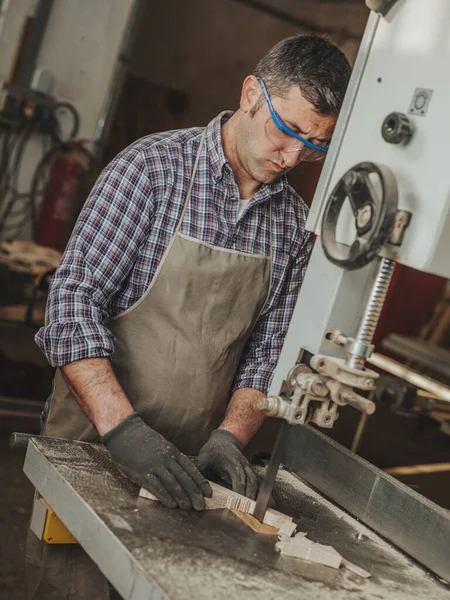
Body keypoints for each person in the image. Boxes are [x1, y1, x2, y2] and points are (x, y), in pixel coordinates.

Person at [28, 34, 351, 599]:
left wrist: (231, 436)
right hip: (95, 444)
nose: (294, 157)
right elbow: (74, 303)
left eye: (316, 146)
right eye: (289, 131)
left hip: (194, 468)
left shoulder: (293, 226)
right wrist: (124, 431)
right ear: (251, 94)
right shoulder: (150, 171)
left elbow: (267, 353)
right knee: (69, 585)